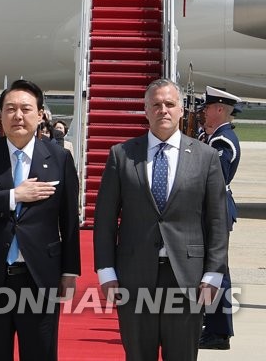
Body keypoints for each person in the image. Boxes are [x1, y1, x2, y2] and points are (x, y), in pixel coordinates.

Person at [94, 78, 229, 361]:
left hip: (188, 278)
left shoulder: (205, 157)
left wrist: (213, 273)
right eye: (156, 105)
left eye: (170, 104)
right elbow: (105, 219)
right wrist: (106, 272)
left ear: (182, 110)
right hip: (134, 277)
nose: (163, 110)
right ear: (145, 110)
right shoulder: (122, 155)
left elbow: (217, 220)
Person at [0, 78, 81, 361]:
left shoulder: (59, 158)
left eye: (26, 109)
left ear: (40, 115)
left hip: (39, 276)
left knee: (41, 351)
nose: (18, 116)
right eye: (10, 109)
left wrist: (69, 271)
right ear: (0, 115)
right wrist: (14, 195)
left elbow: (69, 220)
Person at [199, 86, 242, 350]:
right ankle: (214, 326)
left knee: (218, 273)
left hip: (215, 211)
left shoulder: (222, 142)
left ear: (218, 109)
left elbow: (216, 180)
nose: (203, 112)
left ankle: (219, 333)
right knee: (213, 271)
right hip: (213, 210)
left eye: (206, 108)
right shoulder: (215, 138)